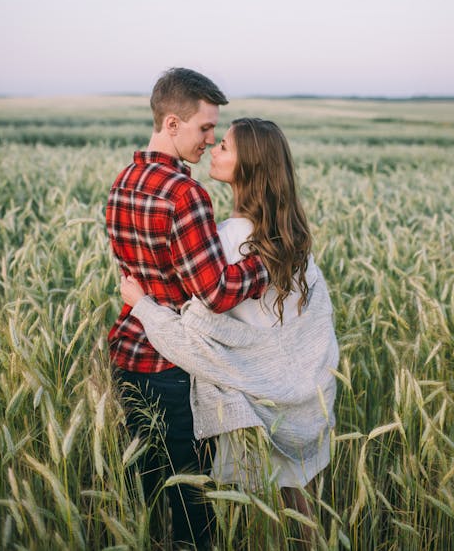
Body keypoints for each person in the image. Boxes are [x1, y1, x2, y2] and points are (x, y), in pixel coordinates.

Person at [121, 117, 339, 537]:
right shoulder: (293, 241)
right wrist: (293, 381)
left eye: (223, 146)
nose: (213, 150)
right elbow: (312, 330)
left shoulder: (224, 241)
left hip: (254, 413)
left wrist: (143, 306)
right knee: (300, 510)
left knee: (255, 519)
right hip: (302, 402)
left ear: (249, 166)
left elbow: (195, 341)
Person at [106, 69, 269, 550]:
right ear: (172, 123)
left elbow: (137, 276)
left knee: (151, 492)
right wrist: (267, 263)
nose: (211, 139)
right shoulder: (185, 193)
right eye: (204, 128)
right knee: (194, 503)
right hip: (176, 365)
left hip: (130, 353)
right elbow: (215, 292)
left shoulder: (124, 181)